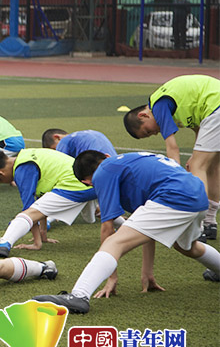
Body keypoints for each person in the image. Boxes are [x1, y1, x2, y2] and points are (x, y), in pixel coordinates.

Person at [34, 150, 220, 314]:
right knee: (187, 246)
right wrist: (147, 272)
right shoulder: (129, 163)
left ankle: (79, 295)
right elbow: (148, 228)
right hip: (198, 196)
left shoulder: (103, 172)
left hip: (174, 196)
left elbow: (107, 228)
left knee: (114, 243)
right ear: (106, 156)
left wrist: (112, 277)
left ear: (87, 182)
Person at [124, 75, 219, 241]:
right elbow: (198, 127)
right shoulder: (169, 105)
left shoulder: (159, 106)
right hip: (213, 107)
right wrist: (195, 154)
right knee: (212, 167)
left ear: (143, 115)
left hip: (215, 106)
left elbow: (173, 148)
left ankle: (198, 223)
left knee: (198, 166)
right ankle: (209, 223)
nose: (155, 133)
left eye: (148, 131)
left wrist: (174, 179)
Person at [0, 148, 98, 257]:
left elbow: (30, 210)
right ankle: (119, 226)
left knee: (26, 215)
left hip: (76, 185)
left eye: (0, 182)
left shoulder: (22, 170)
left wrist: (37, 244)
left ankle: (4, 242)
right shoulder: (26, 156)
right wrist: (42, 235)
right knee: (93, 216)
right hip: (90, 182)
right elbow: (41, 203)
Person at [41, 128, 116, 157]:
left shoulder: (64, 141)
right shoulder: (92, 133)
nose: (57, 151)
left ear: (57, 138)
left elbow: (60, 162)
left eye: (55, 149)